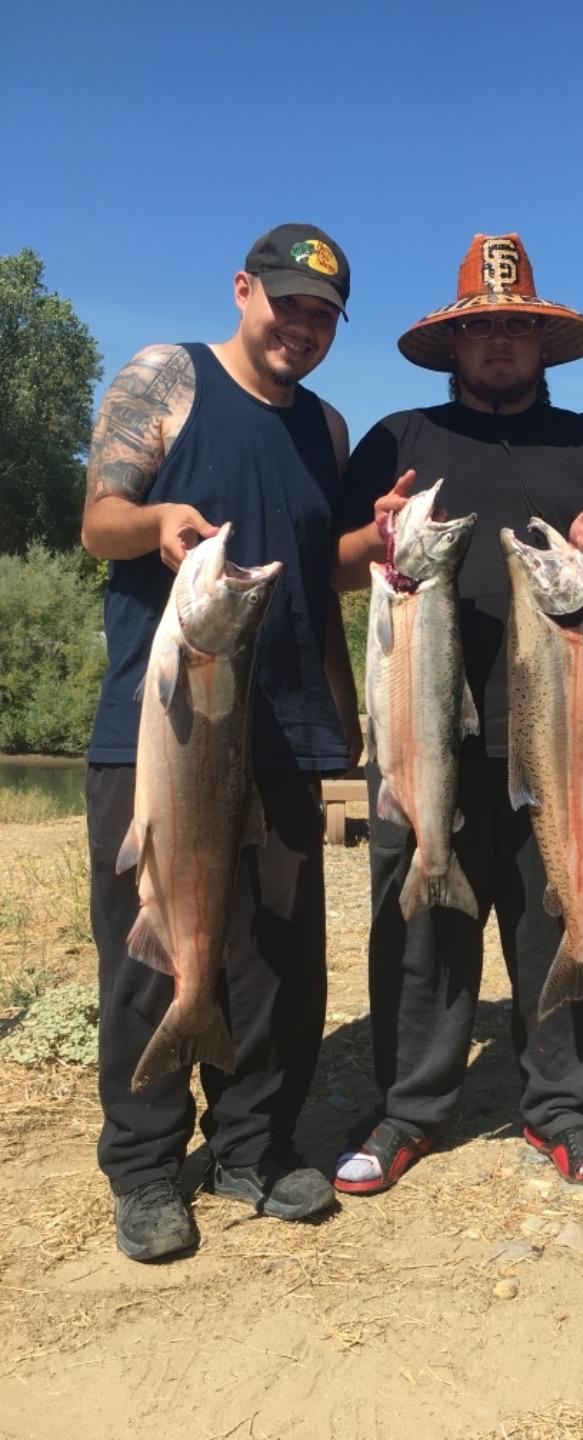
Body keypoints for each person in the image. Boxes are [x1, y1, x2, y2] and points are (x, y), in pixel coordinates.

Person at [332, 233, 583, 1194]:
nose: (501, 343)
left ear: (543, 344)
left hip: (558, 735)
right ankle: (409, 1108)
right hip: (420, 732)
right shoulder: (399, 439)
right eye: (484, 328)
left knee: (563, 904)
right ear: (456, 344)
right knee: (421, 922)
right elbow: (344, 565)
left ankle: (562, 1105)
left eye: (518, 328)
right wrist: (378, 536)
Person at [83, 224, 362, 1262]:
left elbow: (314, 568)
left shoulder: (327, 429)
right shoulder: (168, 377)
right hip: (159, 723)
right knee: (151, 952)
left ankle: (253, 1144)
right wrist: (153, 522)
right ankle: (147, 1166)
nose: (303, 325)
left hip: (288, 727)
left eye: (324, 313)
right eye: (287, 301)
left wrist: (347, 710)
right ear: (244, 289)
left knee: (281, 957)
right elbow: (98, 520)